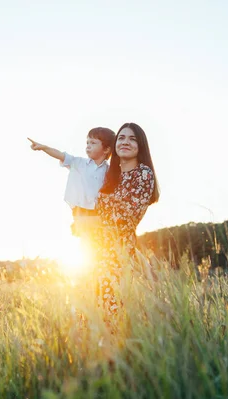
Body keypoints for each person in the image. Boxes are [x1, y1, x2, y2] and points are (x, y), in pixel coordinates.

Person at [95, 122, 160, 315]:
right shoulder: (108, 176)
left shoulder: (143, 174)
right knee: (91, 319)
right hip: (94, 254)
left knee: (114, 314)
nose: (125, 142)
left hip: (118, 254)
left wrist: (88, 221)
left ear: (141, 146)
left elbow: (123, 218)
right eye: (121, 138)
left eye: (132, 139)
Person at [27, 127, 116, 236]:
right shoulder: (78, 163)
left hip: (99, 213)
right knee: (85, 239)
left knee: (98, 241)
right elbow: (60, 155)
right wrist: (43, 148)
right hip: (80, 211)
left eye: (93, 143)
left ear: (106, 149)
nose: (88, 145)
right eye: (87, 142)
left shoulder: (110, 171)